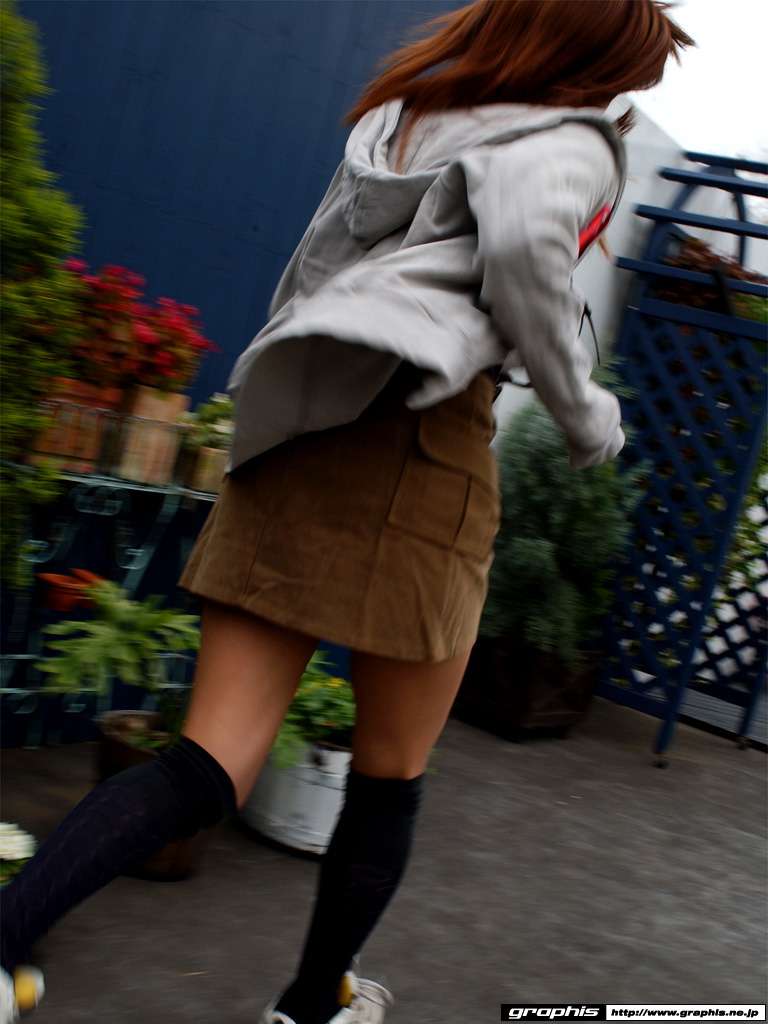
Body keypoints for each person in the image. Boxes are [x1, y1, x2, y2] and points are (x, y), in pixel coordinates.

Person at [0, 2, 693, 1022]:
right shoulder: (572, 141)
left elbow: (313, 276)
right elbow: (527, 252)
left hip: (304, 428)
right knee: (390, 774)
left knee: (208, 759)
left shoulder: (406, 116)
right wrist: (590, 416)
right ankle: (313, 1005)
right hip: (422, 449)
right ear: (590, 60)